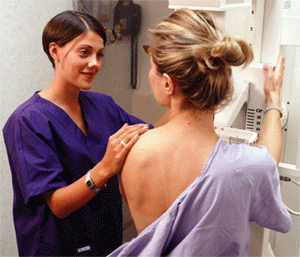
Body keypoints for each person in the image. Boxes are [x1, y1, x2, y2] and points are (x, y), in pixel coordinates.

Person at [109, 8, 292, 256]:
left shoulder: (131, 152)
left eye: (152, 68)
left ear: (167, 83)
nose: (150, 76)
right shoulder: (245, 168)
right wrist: (273, 99)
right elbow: (268, 160)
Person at [2, 10, 151, 256]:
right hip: (56, 249)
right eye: (85, 52)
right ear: (55, 51)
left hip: (106, 244)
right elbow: (58, 205)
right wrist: (104, 169)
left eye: (100, 54)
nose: (95, 63)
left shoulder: (103, 106)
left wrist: (184, 101)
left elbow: (151, 137)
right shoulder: (27, 121)